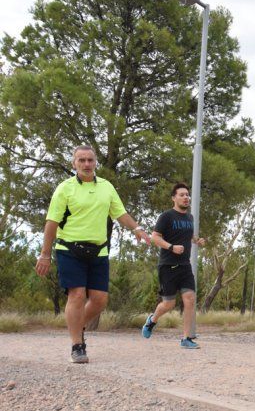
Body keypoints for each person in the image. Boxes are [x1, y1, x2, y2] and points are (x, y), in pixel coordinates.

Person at [35, 145, 151, 363]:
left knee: (99, 300)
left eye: (90, 160)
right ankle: (77, 344)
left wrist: (137, 229)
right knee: (77, 295)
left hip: (98, 250)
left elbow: (121, 213)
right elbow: (51, 223)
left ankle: (76, 327)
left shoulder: (106, 187)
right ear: (74, 164)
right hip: (69, 249)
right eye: (82, 160)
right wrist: (45, 254)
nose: (86, 164)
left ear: (95, 162)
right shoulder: (64, 189)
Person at [141, 182, 205, 349]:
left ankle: (186, 338)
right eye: (182, 195)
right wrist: (171, 247)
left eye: (187, 195)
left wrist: (197, 240)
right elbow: (155, 237)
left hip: (184, 266)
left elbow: (188, 235)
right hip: (168, 265)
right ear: (174, 198)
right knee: (169, 304)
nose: (186, 197)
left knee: (190, 299)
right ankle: (152, 320)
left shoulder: (189, 218)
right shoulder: (166, 216)